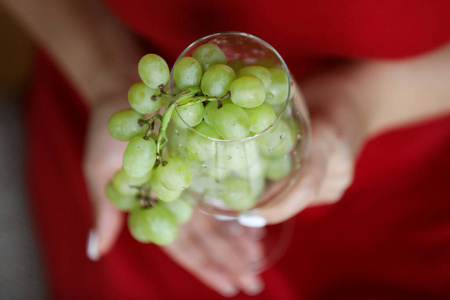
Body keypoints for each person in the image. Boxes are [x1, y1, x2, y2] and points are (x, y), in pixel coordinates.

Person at [2, 0, 450, 298]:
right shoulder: (151, 138)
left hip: (400, 151)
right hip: (133, 99)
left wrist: (362, 102)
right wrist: (105, 76)